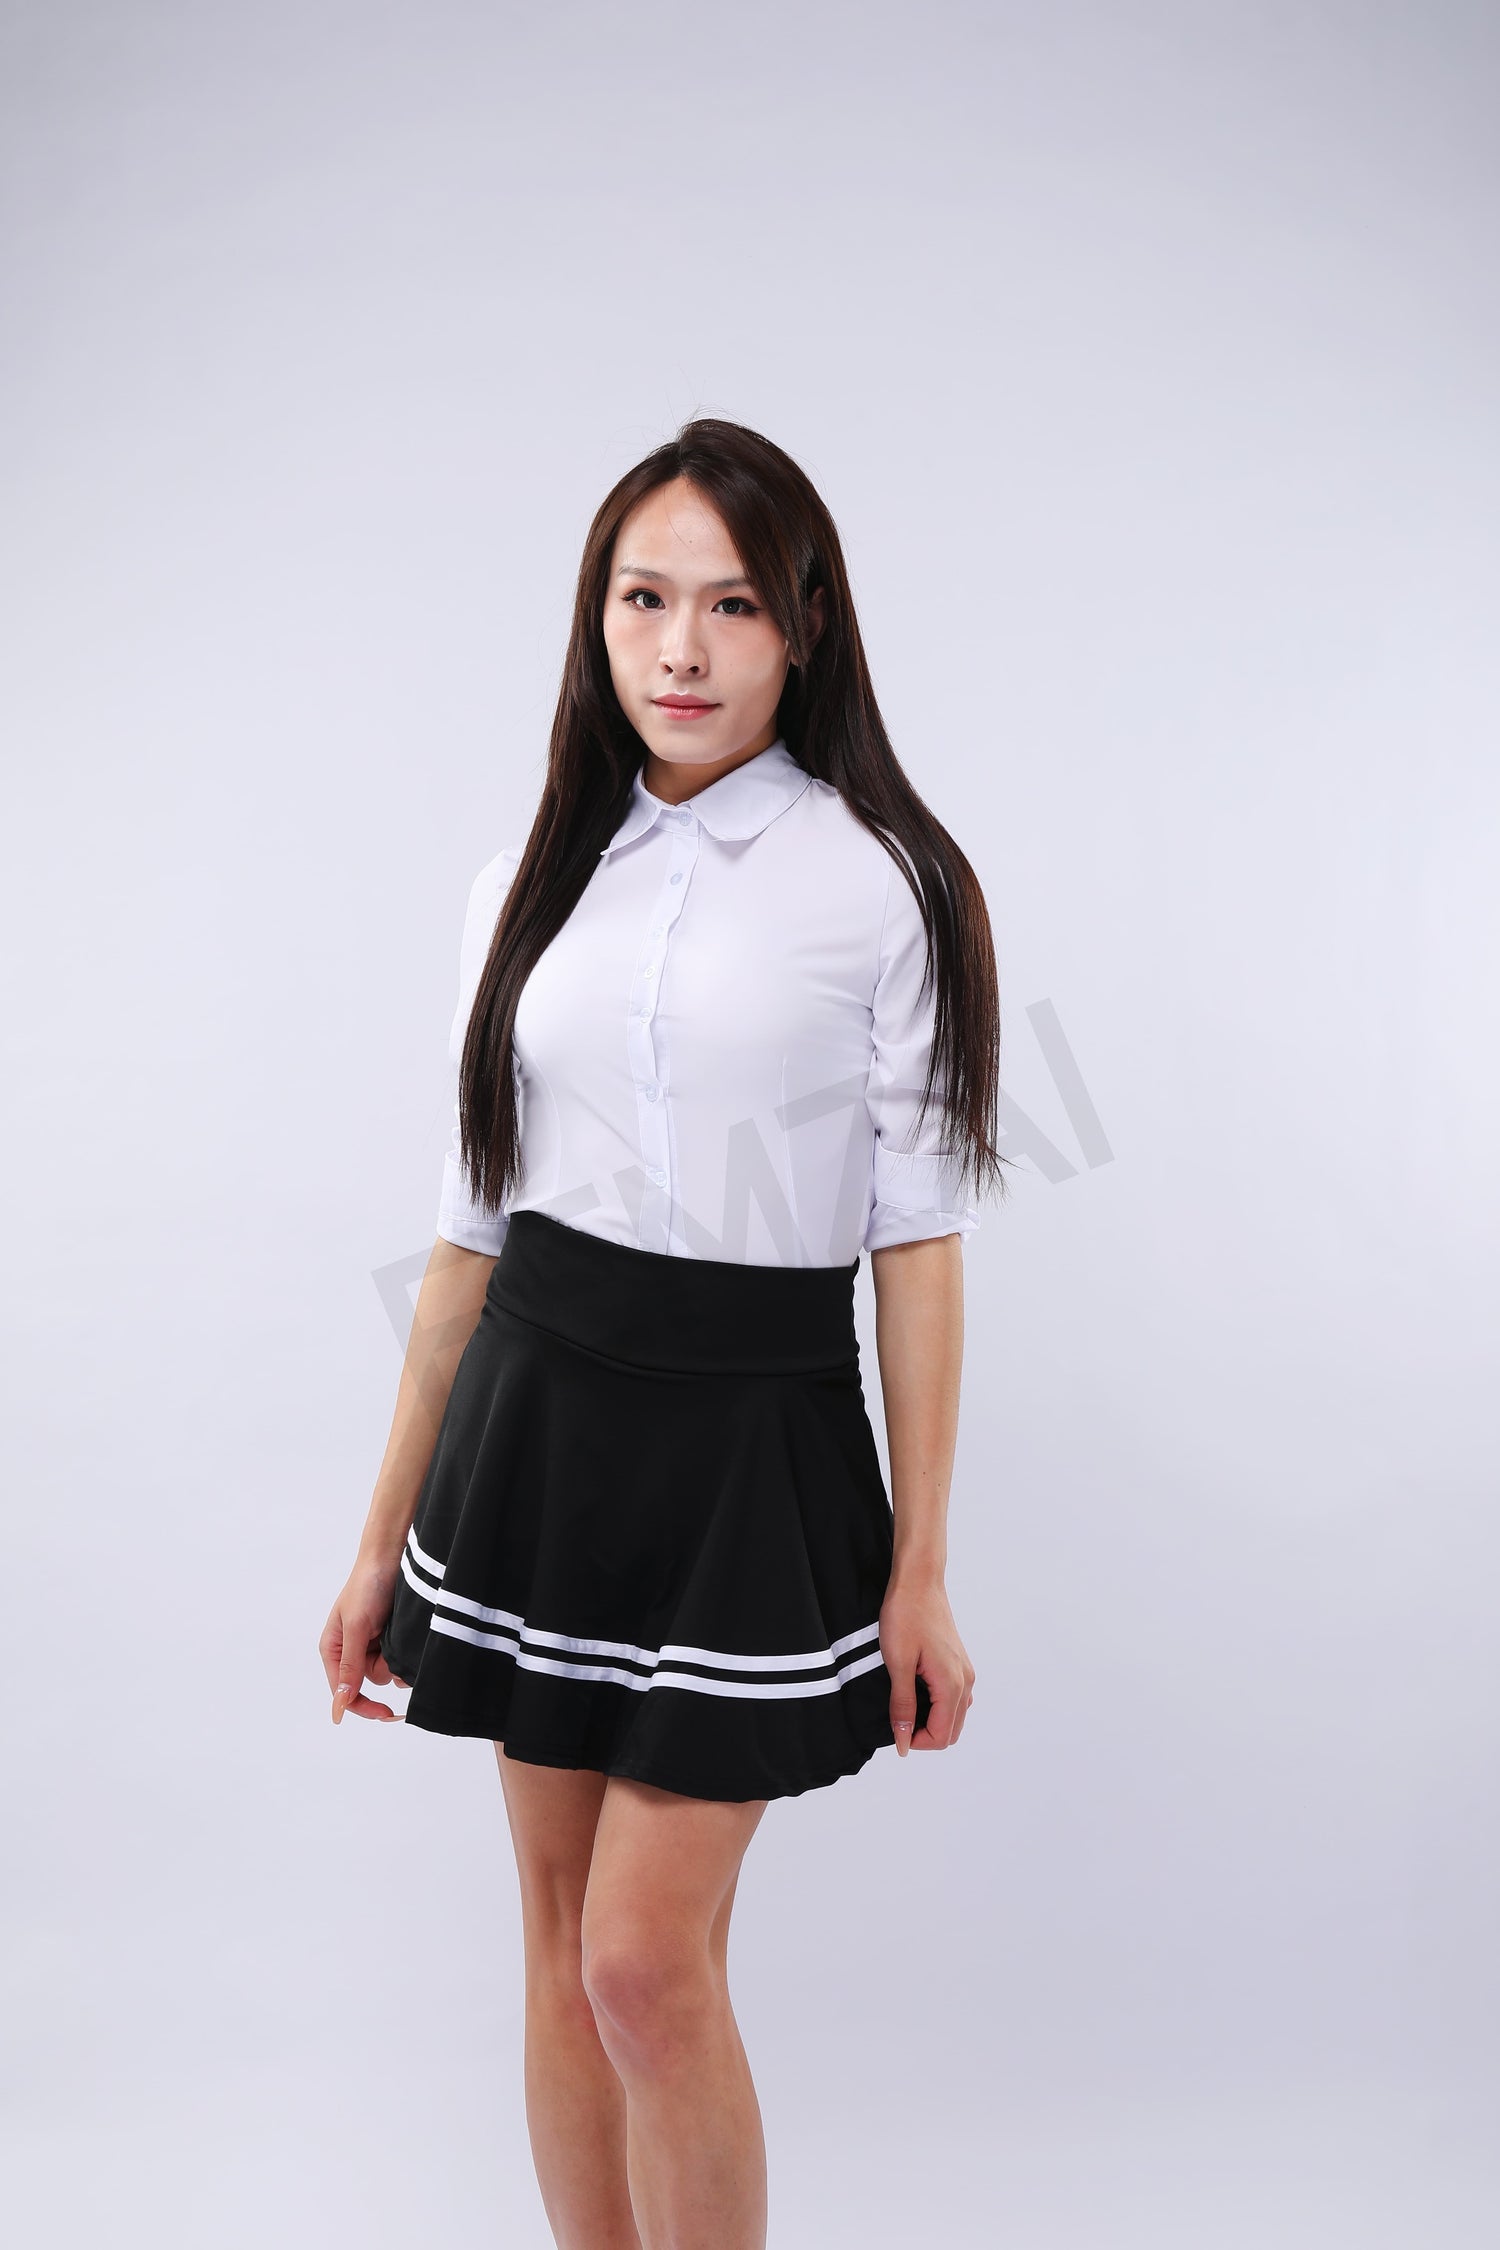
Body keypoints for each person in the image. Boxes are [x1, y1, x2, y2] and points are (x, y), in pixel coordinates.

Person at [319, 417, 1007, 2249]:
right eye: (644, 599)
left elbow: (918, 1240)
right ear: (596, 617)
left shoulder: (889, 883)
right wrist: (378, 1537)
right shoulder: (528, 880)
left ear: (806, 625)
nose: (682, 649)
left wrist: (921, 1566)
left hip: (746, 1450)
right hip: (532, 1427)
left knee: (642, 1959)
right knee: (559, 1951)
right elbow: (470, 1234)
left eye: (732, 605)